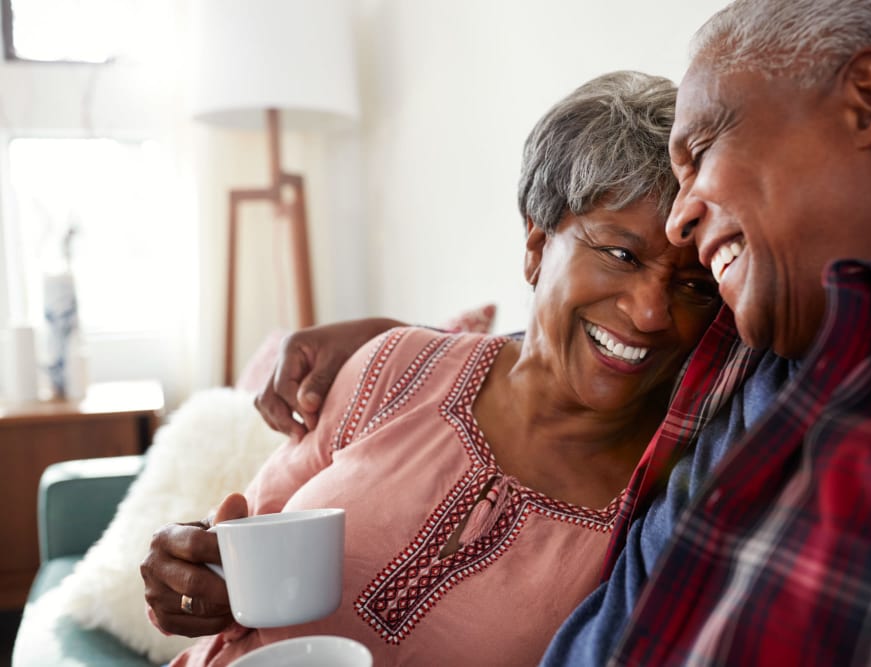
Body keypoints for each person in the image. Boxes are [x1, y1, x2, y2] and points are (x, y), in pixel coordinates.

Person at [260, 1, 871, 664]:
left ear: (867, 101)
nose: (682, 218)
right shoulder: (756, 358)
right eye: (622, 250)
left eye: (702, 148)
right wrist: (388, 348)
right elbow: (546, 357)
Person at [141, 71, 725, 666]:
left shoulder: (664, 507)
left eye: (694, 285)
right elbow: (236, 544)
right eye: (621, 254)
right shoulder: (394, 365)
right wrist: (189, 576)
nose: (653, 312)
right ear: (536, 243)